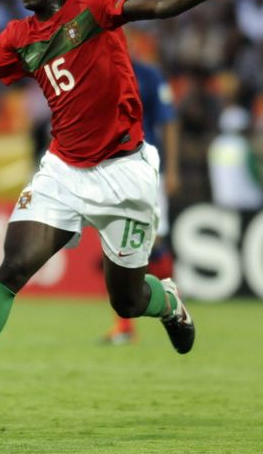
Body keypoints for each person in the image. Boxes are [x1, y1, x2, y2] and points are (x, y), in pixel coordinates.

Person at [0, 0, 263, 420]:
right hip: (64, 170)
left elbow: (154, 5)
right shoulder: (17, 37)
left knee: (129, 300)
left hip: (125, 174)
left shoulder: (92, 5)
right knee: (14, 267)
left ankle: (169, 301)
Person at [101, 58, 181, 345]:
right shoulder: (99, 72)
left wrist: (172, 169)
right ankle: (123, 326)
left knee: (155, 241)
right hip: (112, 168)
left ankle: (171, 302)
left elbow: (168, 121)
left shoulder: (149, 75)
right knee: (117, 244)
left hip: (149, 166)